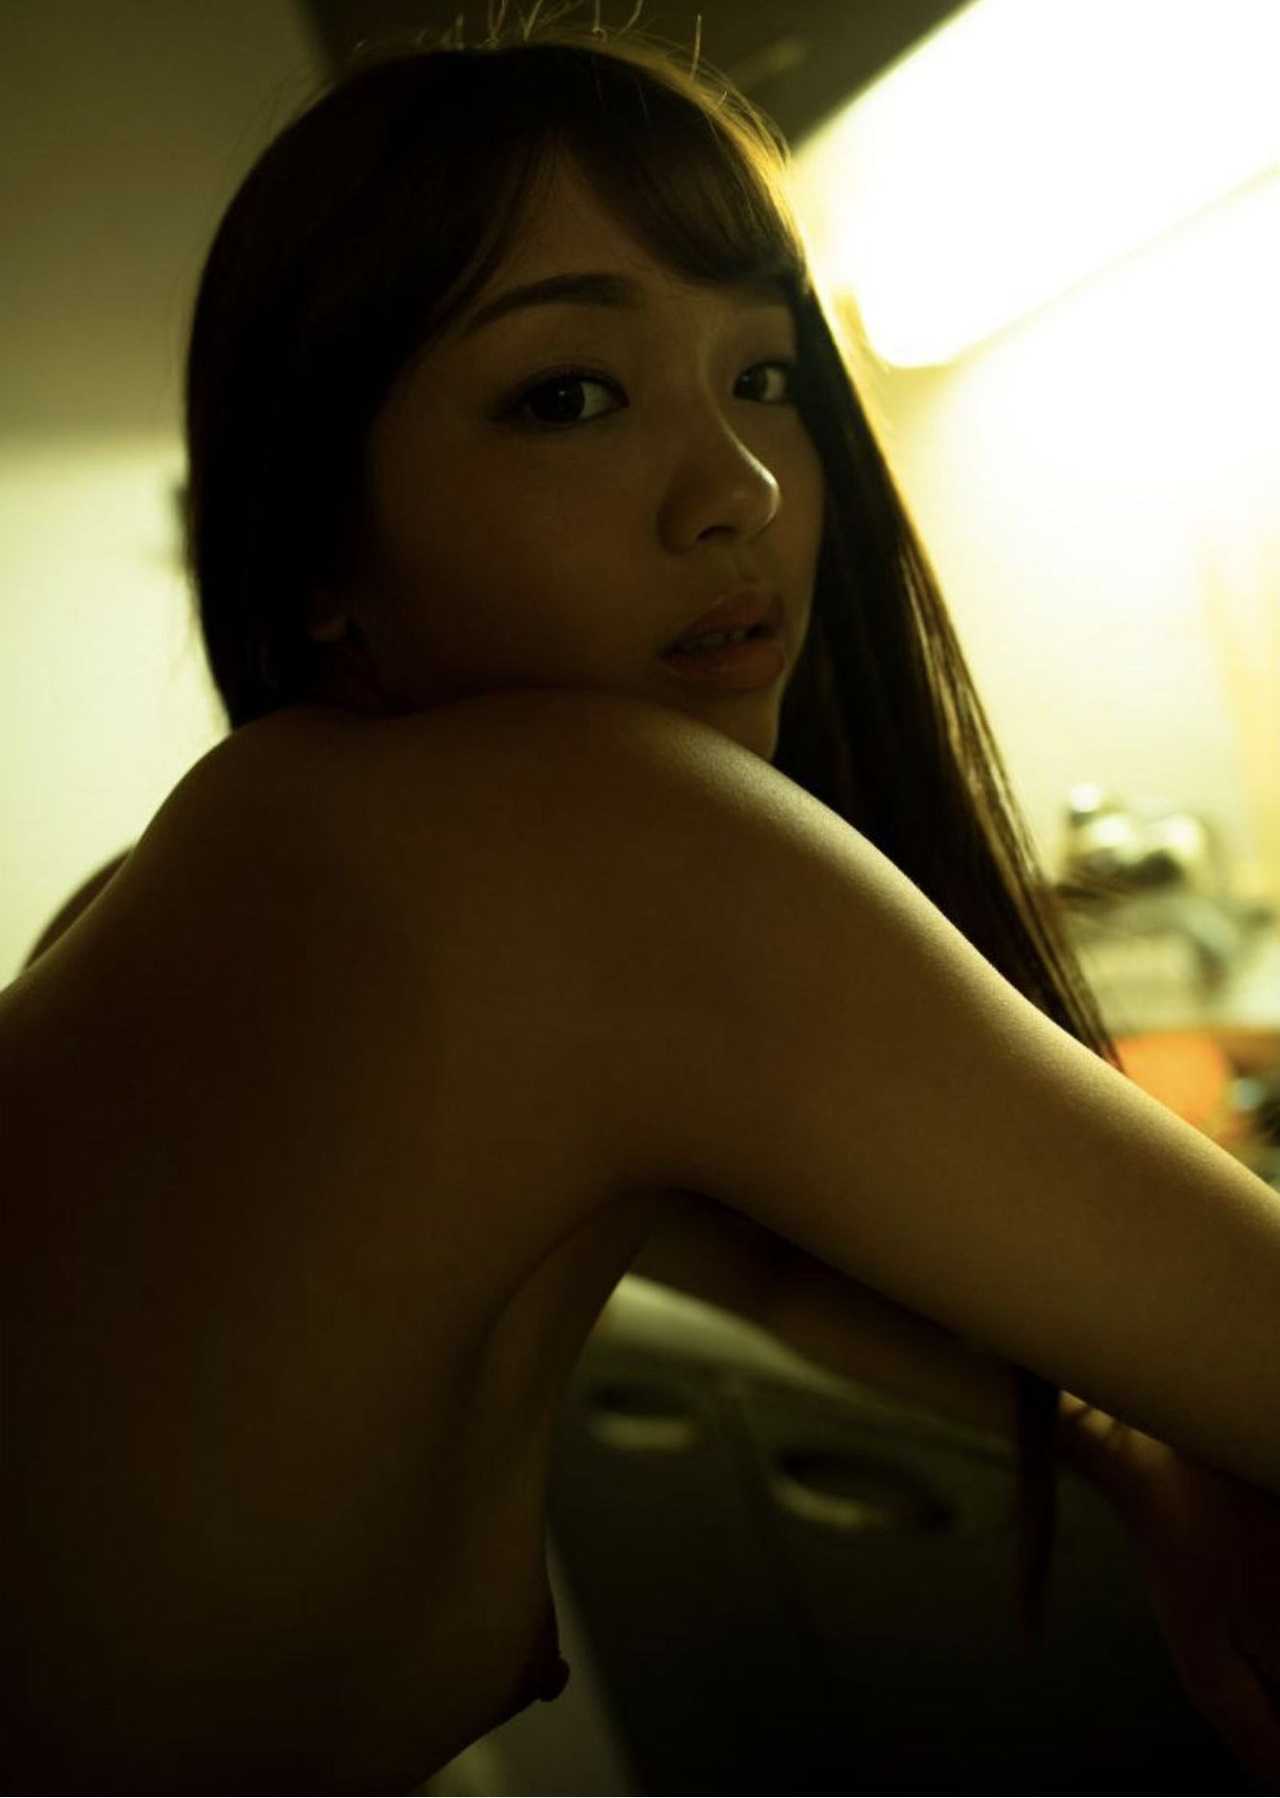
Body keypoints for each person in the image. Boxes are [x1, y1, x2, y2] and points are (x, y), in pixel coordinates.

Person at [2, 10, 1277, 1791]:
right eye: (571, 395)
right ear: (318, 555)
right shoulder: (571, 833)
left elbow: (743, 1250)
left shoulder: (195, 905)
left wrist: (1124, 1443)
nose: (740, 487)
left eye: (764, 375)